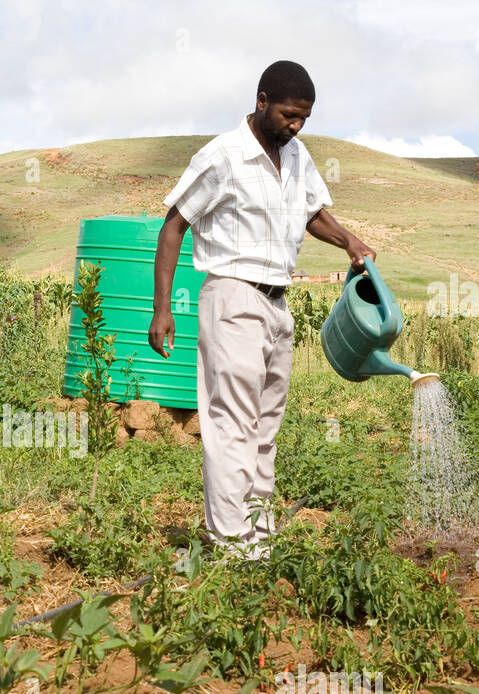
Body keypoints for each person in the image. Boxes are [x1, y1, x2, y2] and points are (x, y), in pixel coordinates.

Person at [149, 60, 375, 559]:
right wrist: (162, 309)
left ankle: (259, 537)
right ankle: (231, 546)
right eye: (290, 115)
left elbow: (312, 212)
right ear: (262, 101)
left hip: (277, 302)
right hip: (231, 296)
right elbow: (173, 225)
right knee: (232, 422)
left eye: (304, 120)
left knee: (266, 425)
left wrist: (348, 241)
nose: (295, 127)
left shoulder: (297, 156)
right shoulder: (222, 156)